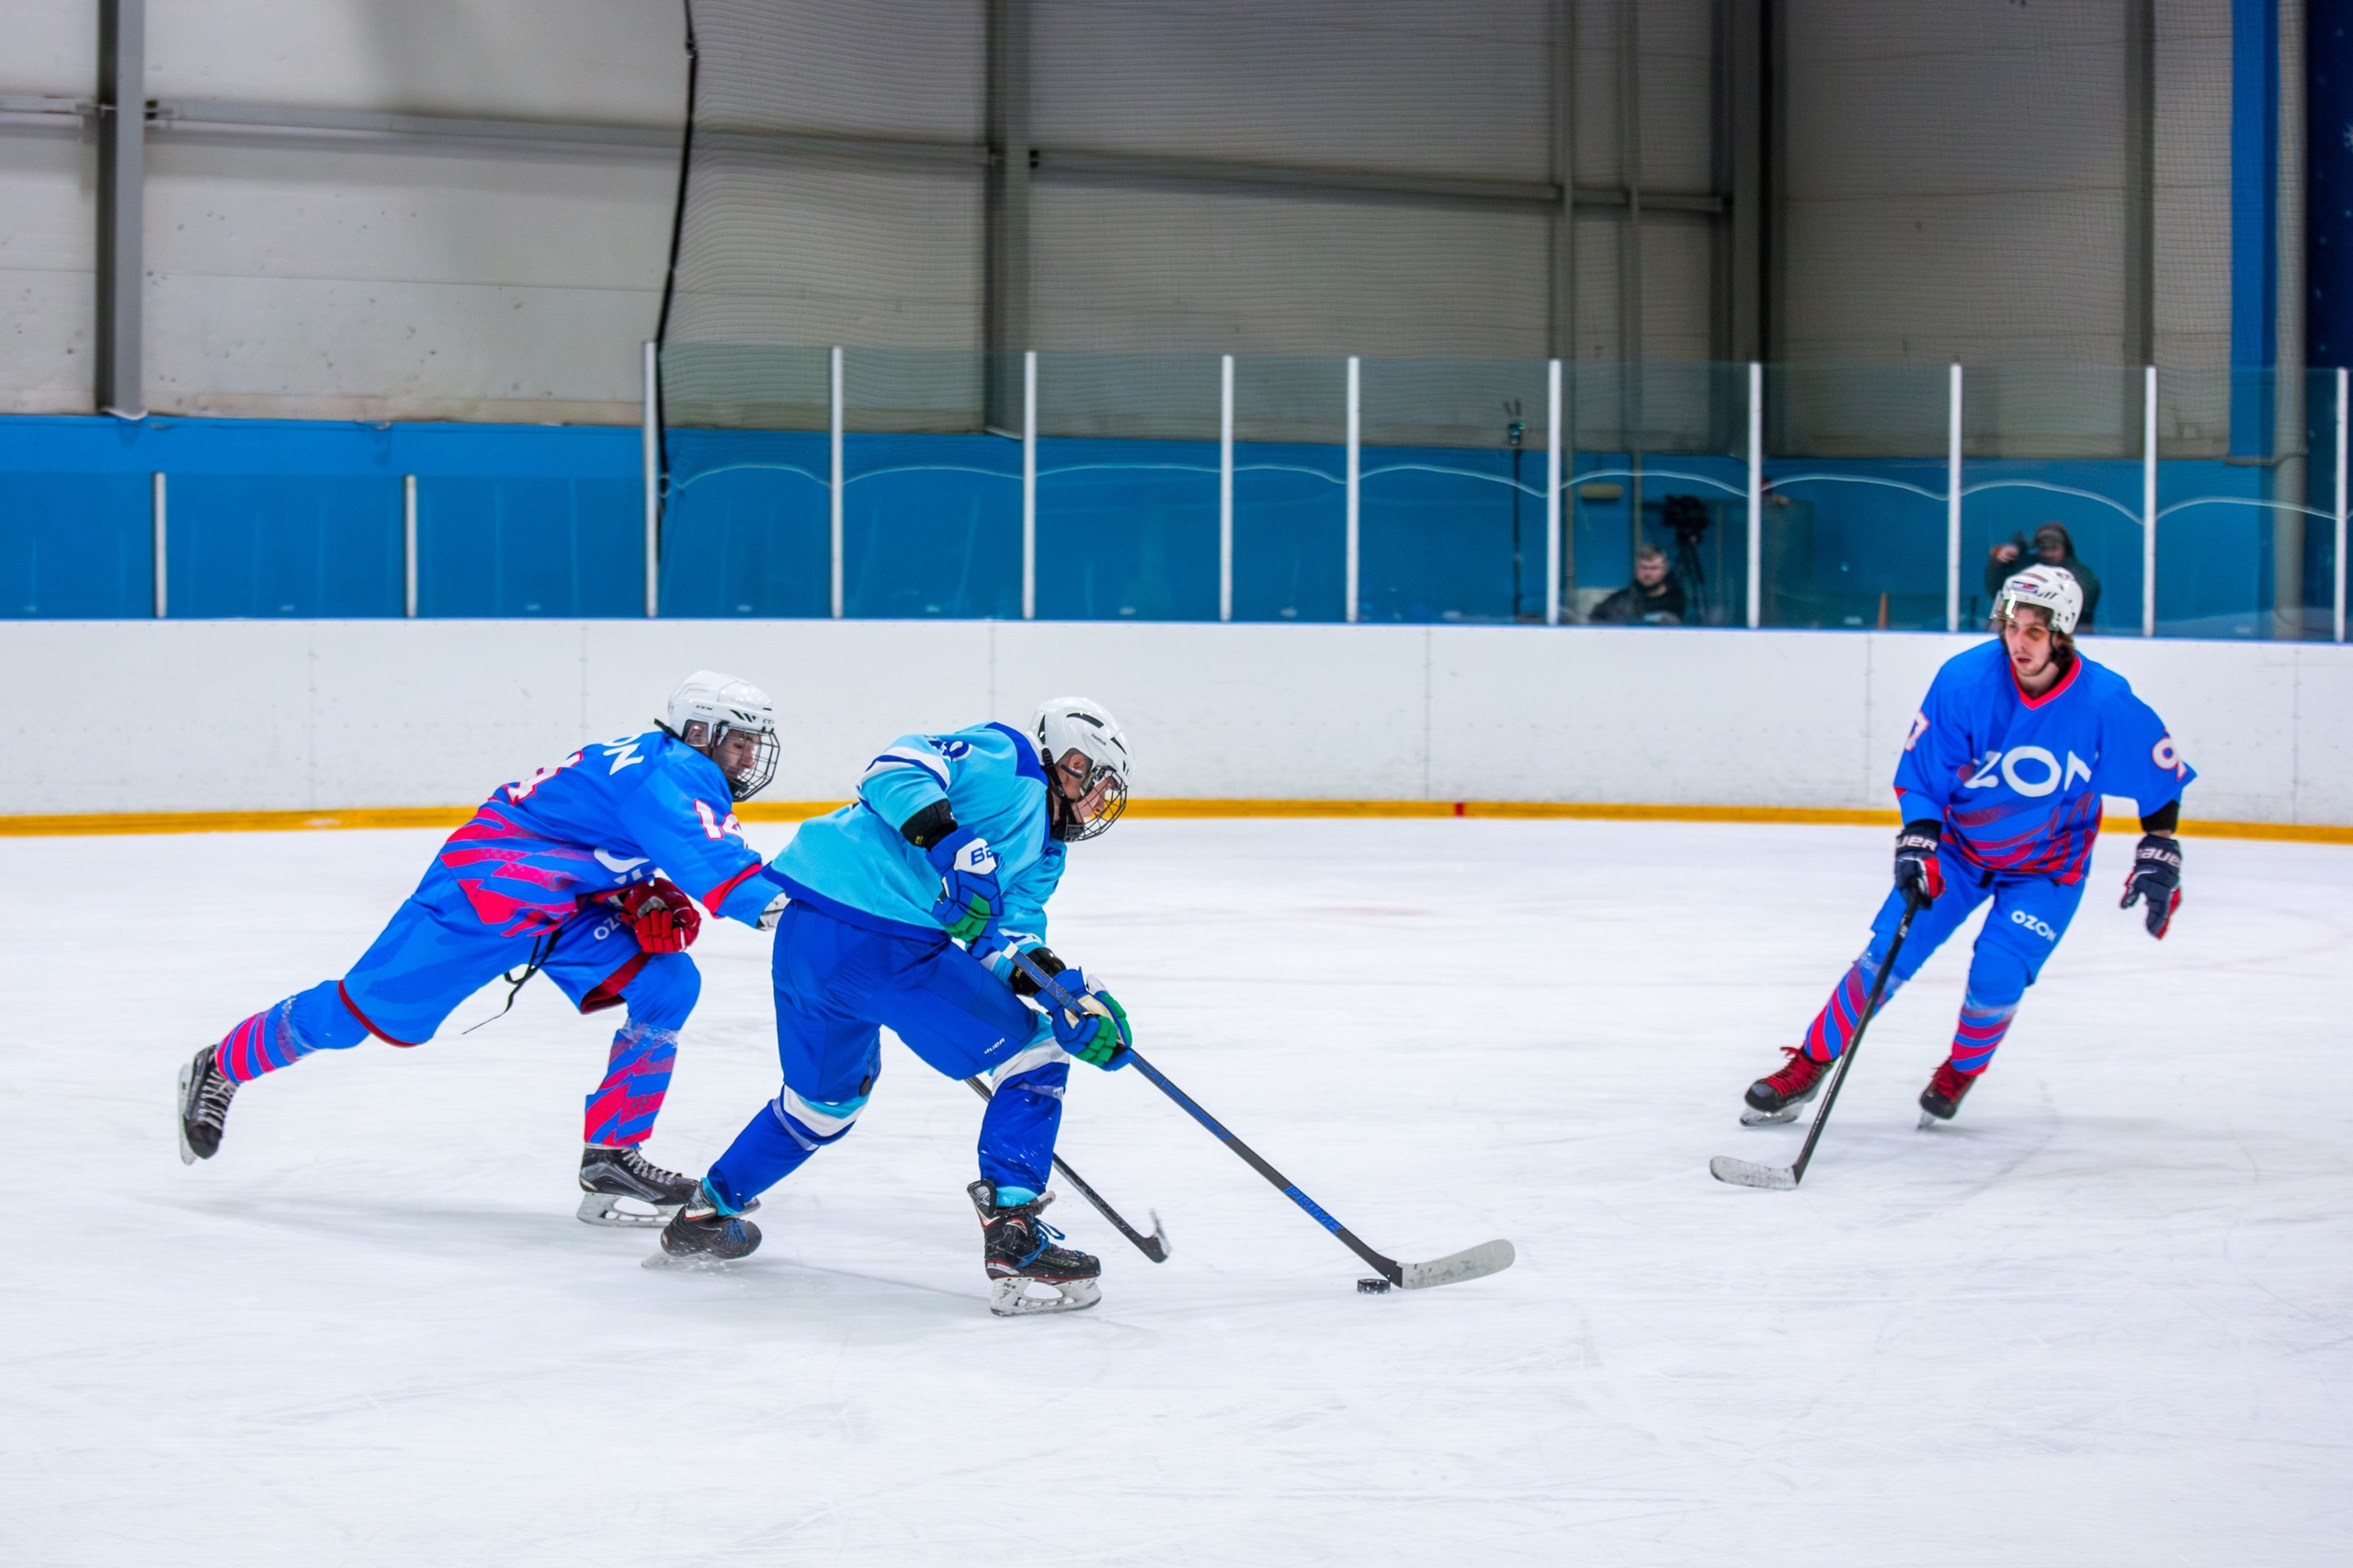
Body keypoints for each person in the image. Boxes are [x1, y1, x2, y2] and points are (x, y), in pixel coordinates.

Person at [176, 672, 791, 1226]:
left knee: (667, 983)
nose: (747, 759)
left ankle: (612, 1158)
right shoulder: (676, 773)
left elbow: (602, 832)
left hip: (560, 899)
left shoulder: (663, 763)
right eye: (739, 743)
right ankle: (222, 1066)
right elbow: (717, 863)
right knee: (355, 1015)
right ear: (700, 732)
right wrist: (807, 916)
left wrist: (632, 887)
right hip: (485, 893)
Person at [655, 697, 1138, 1318]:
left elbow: (1004, 939)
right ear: (1071, 763)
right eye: (1099, 786)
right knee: (1033, 1053)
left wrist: (1067, 995)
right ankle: (1014, 1234)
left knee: (823, 1106)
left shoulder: (1046, 856)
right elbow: (892, 770)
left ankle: (705, 1213)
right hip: (884, 944)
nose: (1100, 805)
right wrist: (951, 844)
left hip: (812, 941)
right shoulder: (1009, 760)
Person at [1739, 565, 2191, 1128]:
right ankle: (1808, 1065)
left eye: (2033, 631)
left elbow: (2158, 779)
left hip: (2048, 866)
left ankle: (1961, 1069)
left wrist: (2159, 846)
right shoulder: (1964, 681)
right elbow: (1924, 775)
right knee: (1887, 953)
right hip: (1958, 850)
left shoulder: (2104, 702)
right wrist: (1918, 841)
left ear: (2062, 634)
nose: (2017, 642)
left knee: (1998, 969)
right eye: (2012, 625)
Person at [1987, 521, 2102, 631]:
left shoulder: (2080, 575)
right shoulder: (2027, 566)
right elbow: (1997, 588)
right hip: (2024, 630)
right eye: (2043, 548)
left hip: (2070, 635)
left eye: (2053, 548)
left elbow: (2085, 600)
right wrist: (2003, 558)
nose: (2048, 554)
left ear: (2065, 549)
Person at [1590, 545, 1687, 625]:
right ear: (1636, 570)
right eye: (1643, 568)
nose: (1648, 573)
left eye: (1654, 568)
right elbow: (1596, 621)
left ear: (1665, 570)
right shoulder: (1620, 601)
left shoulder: (1680, 600)